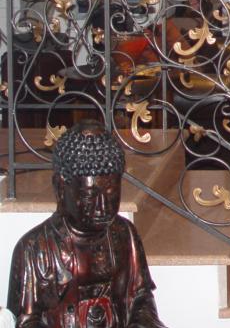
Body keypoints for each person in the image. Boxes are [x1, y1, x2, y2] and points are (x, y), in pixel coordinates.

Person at [6, 122, 167, 328]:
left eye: (111, 196)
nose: (102, 208)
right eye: (90, 196)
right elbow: (26, 321)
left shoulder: (124, 234)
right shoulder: (35, 248)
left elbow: (141, 300)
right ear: (61, 188)